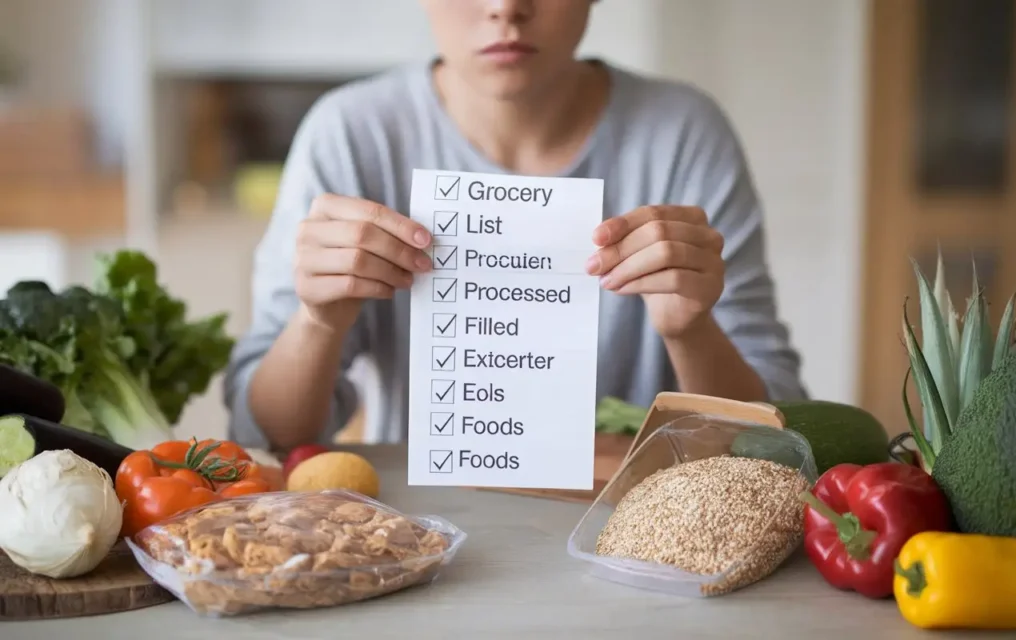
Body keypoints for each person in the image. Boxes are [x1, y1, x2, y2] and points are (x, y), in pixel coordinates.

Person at [223, 0, 807, 451]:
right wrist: (318, 322)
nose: (505, 6)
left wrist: (692, 330)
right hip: (420, 535)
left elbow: (777, 428)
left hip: (635, 529)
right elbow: (264, 433)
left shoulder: (684, 133)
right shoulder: (350, 134)